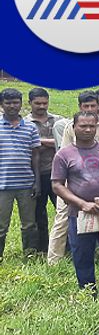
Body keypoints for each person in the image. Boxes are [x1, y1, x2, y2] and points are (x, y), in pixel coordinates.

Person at [51, 111, 99, 292]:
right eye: (83, 126)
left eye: (92, 126)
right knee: (82, 255)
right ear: (73, 127)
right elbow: (57, 185)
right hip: (79, 214)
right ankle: (88, 293)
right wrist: (82, 204)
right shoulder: (64, 154)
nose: (88, 130)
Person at [48, 91, 99, 264]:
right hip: (73, 181)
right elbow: (65, 154)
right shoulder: (72, 126)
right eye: (86, 106)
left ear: (98, 106)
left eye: (93, 106)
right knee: (63, 217)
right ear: (80, 107)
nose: (90, 109)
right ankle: (54, 260)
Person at [0, 88, 41, 259]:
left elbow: (36, 156)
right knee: (1, 225)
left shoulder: (30, 127)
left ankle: (30, 255)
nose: (12, 106)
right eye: (8, 103)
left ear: (21, 104)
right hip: (2, 185)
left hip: (26, 184)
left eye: (15, 102)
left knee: (29, 224)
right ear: (1, 105)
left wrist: (37, 181)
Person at [24, 88, 62, 253]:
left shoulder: (58, 121)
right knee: (39, 214)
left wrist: (38, 141)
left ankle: (65, 246)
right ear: (29, 103)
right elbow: (26, 145)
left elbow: (64, 142)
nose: (41, 106)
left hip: (58, 173)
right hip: (35, 174)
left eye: (44, 103)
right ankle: (41, 249)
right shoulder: (24, 123)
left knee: (62, 211)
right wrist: (51, 142)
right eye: (37, 103)